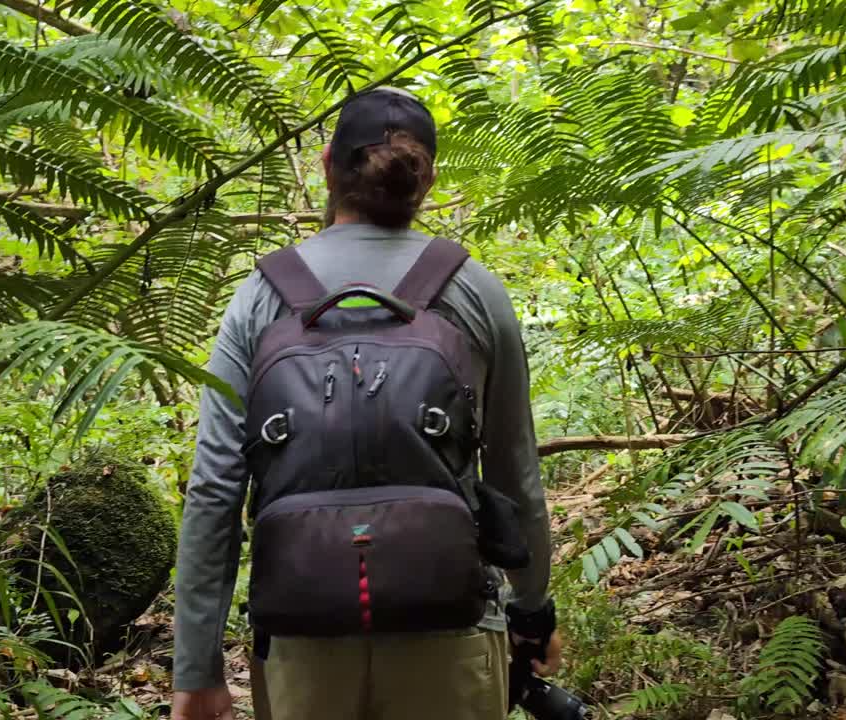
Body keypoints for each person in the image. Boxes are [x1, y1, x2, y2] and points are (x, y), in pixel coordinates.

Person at [170, 86, 561, 720]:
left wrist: (197, 667)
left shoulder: (260, 297)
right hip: (451, 631)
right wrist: (531, 612)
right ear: (426, 178)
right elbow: (515, 472)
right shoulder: (474, 291)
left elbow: (215, 487)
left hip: (303, 640)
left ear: (327, 163)